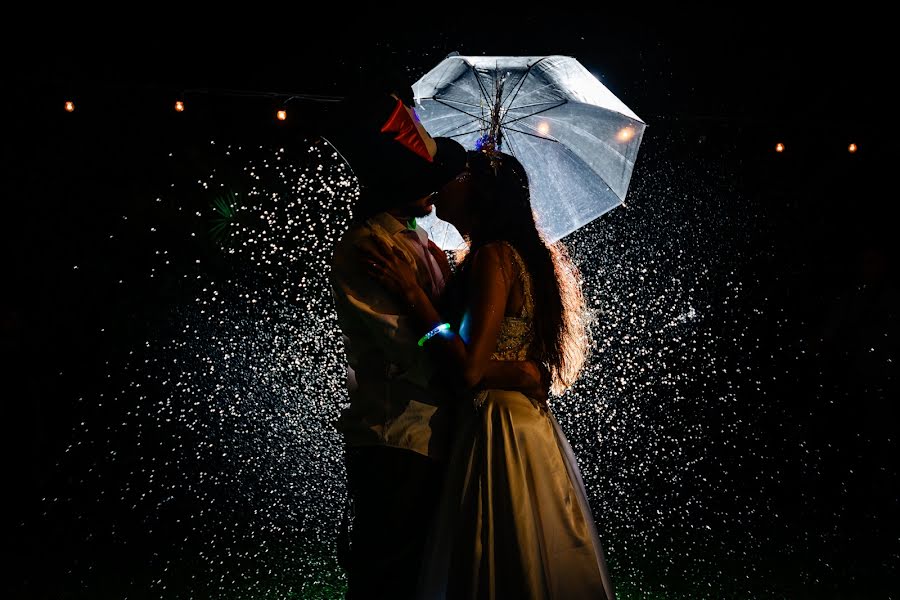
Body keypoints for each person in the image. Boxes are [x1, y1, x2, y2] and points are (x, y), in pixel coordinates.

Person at [364, 147, 617, 599]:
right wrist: (526, 373)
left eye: (458, 177)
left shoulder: (494, 257)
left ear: (479, 191)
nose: (442, 183)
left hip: (498, 426)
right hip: (520, 422)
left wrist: (413, 296)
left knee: (498, 555)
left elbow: (470, 368)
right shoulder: (506, 254)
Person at [327, 91, 547, 600]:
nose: (439, 182)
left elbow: (461, 346)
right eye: (428, 173)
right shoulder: (371, 247)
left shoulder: (428, 247)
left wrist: (486, 366)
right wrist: (509, 372)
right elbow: (414, 355)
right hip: (397, 435)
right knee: (389, 577)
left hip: (443, 436)